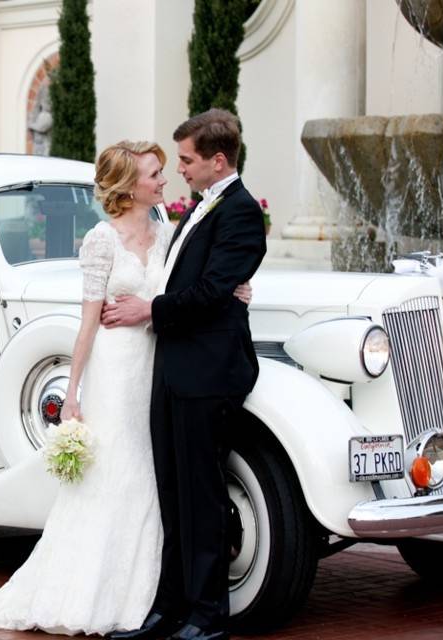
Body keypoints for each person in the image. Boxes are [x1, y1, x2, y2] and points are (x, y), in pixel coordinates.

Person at [0, 140, 252, 636]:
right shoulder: (101, 240)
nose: (164, 179)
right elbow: (87, 323)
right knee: (114, 472)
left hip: (161, 362)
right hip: (118, 366)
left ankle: (156, 594)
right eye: (154, 173)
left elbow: (190, 283)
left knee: (154, 480)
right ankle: (98, 593)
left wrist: (235, 287)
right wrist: (73, 393)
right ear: (129, 186)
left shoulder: (166, 228)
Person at [103, 110, 267, 640]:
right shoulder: (198, 208)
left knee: (203, 498)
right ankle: (169, 608)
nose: (182, 169)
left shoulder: (240, 212)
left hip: (208, 373)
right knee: (172, 494)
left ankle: (207, 614)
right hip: (172, 370)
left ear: (219, 161)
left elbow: (212, 292)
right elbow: (196, 280)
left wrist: (150, 309)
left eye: (188, 160)